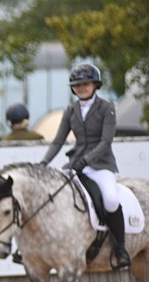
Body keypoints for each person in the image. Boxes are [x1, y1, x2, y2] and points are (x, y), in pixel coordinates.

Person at [40, 62, 129, 269]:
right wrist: (43, 163)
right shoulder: (70, 110)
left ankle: (121, 247)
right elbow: (58, 141)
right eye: (77, 85)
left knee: (110, 200)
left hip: (101, 164)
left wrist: (87, 160)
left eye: (85, 84)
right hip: (75, 163)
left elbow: (106, 141)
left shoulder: (107, 108)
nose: (81, 88)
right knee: (55, 196)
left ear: (95, 85)